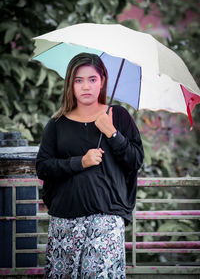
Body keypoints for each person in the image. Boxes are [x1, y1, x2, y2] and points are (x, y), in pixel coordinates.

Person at [36, 52, 144, 278]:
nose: (86, 86)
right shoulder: (57, 124)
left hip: (106, 216)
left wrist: (112, 133)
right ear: (70, 84)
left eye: (92, 79)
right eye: (79, 80)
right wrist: (80, 162)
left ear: (102, 81)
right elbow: (43, 167)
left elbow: (135, 161)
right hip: (65, 218)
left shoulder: (119, 116)